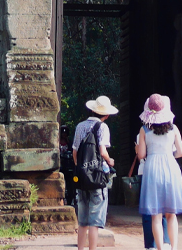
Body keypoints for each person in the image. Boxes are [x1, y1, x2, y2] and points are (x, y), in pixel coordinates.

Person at [137, 94, 182, 250]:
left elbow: (141, 155)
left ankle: (159, 248)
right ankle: (173, 248)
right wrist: (168, 155)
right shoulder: (173, 129)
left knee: (156, 215)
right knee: (171, 214)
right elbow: (181, 152)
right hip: (170, 167)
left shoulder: (144, 129)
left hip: (152, 168)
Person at [72, 95, 119, 250]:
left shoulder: (80, 126)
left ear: (92, 110)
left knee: (83, 220)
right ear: (106, 115)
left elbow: (75, 152)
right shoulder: (103, 127)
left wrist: (81, 168)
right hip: (97, 178)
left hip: (82, 177)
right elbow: (102, 150)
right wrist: (110, 160)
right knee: (94, 221)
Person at [135, 130, 169, 250]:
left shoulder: (143, 133)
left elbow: (140, 155)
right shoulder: (169, 131)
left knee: (148, 210)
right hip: (164, 171)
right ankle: (166, 242)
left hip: (146, 171)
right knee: (164, 209)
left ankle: (151, 244)